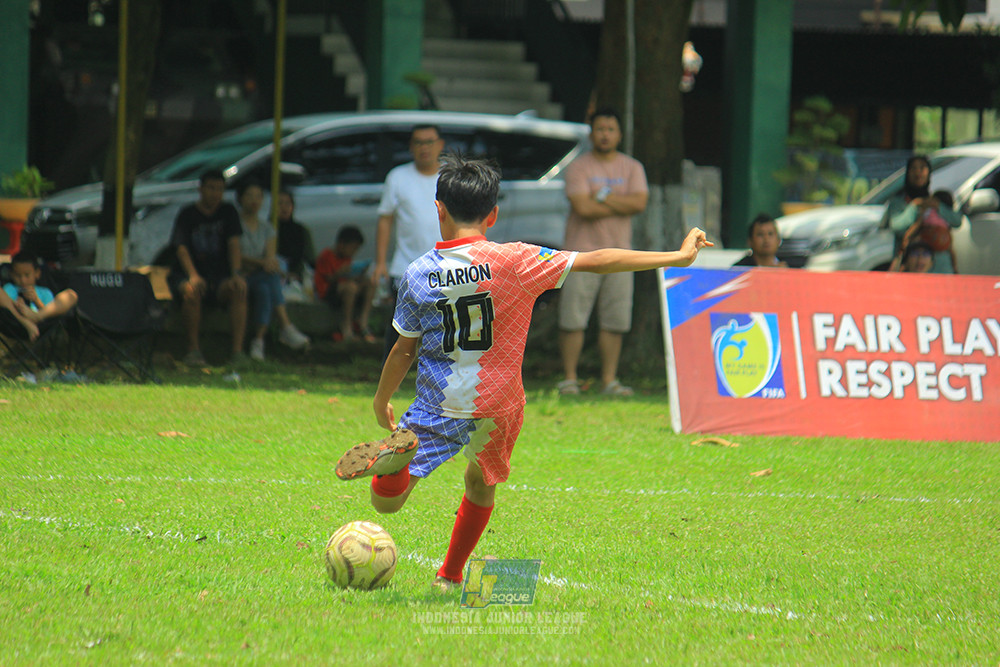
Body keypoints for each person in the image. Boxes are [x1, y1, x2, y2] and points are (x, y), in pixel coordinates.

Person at [333, 155, 713, 591]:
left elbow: (403, 350)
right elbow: (600, 258)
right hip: (500, 404)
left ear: (438, 210)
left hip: (441, 402)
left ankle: (395, 463)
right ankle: (451, 576)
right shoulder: (518, 260)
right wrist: (678, 256)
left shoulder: (420, 273)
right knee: (480, 484)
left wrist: (381, 400)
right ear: (493, 215)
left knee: (388, 504)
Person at [557, 107, 649, 397]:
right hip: (581, 256)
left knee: (616, 319)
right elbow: (582, 208)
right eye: (600, 129)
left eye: (611, 129)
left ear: (619, 134)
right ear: (591, 133)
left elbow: (640, 204)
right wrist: (620, 201)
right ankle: (569, 379)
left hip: (621, 256)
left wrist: (602, 198)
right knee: (573, 318)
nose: (605, 134)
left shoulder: (632, 167)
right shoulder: (579, 167)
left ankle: (609, 380)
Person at [372, 124, 446, 361]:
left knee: (443, 326)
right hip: (406, 266)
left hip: (445, 266)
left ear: (440, 145)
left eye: (429, 142)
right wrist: (381, 262)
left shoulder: (449, 176)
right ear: (411, 147)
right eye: (419, 142)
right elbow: (385, 220)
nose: (424, 148)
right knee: (400, 328)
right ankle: (390, 375)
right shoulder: (397, 177)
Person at [166, 170, 248, 367]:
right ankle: (193, 351)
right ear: (201, 189)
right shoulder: (187, 214)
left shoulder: (228, 212)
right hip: (187, 273)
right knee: (191, 291)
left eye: (220, 189)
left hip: (219, 276)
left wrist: (236, 274)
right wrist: (193, 276)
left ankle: (237, 353)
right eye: (211, 188)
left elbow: (234, 245)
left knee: (238, 289)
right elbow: (181, 248)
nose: (215, 193)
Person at [236, 181, 310, 361]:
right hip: (240, 275)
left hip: (260, 276)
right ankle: (285, 327)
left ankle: (259, 340)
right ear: (240, 199)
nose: (255, 200)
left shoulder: (267, 228)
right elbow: (236, 256)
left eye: (258, 196)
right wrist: (261, 263)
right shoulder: (235, 225)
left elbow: (269, 260)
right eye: (250, 195)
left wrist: (261, 264)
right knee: (270, 278)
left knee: (265, 288)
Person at [884, 156, 962, 274]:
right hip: (911, 267)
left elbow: (957, 221)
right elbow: (896, 227)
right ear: (907, 173)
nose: (918, 172)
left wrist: (938, 207)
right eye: (914, 168)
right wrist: (915, 207)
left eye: (922, 168)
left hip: (939, 267)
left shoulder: (937, 200)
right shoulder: (898, 203)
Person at [314, 225, 376, 343]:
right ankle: (346, 326)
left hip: (345, 286)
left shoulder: (347, 258)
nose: (353, 253)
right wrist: (340, 273)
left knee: (369, 283)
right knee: (351, 288)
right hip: (328, 291)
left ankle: (363, 321)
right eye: (353, 248)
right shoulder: (326, 255)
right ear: (341, 244)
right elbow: (328, 279)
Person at [1, 251, 78, 341]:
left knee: (71, 294)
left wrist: (36, 301)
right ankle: (26, 322)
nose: (23, 280)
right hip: (15, 324)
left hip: (41, 324)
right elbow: (5, 307)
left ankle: (36, 316)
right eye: (18, 276)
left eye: (27, 275)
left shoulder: (44, 292)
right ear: (11, 275)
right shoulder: (9, 288)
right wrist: (18, 307)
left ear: (37, 274)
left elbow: (49, 311)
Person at [274, 189, 314, 286]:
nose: (284, 207)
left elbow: (311, 259)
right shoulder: (268, 229)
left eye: (288, 203)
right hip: (275, 275)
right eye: (280, 203)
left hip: (297, 276)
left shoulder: (301, 230)